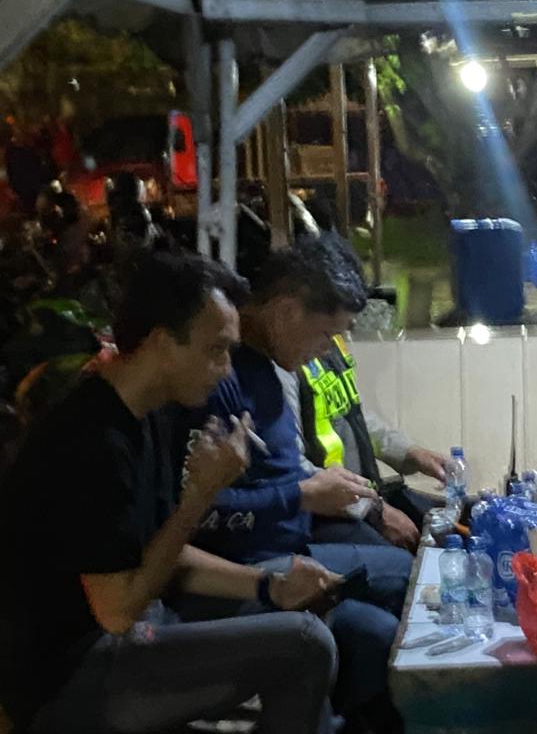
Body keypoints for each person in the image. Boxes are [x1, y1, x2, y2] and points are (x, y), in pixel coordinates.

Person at [0, 251, 338, 734]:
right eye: (215, 350)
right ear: (162, 342)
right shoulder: (91, 439)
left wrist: (271, 586)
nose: (226, 370)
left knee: (307, 611)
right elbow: (118, 611)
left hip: (143, 628)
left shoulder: (150, 412)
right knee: (304, 645)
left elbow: (161, 551)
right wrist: (200, 496)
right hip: (70, 675)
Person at [174, 235, 411, 732]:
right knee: (380, 629)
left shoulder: (272, 367)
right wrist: (300, 495)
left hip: (293, 546)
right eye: (325, 335)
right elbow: (198, 513)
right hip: (243, 567)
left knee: (411, 578)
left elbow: (285, 473)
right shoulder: (217, 382)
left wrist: (318, 490)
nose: (325, 351)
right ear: (284, 312)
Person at [298, 331, 447, 550]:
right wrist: (374, 512)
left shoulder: (332, 342)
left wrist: (411, 453)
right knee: (405, 562)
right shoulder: (287, 361)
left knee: (444, 525)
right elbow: (293, 467)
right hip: (326, 513)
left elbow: (354, 417)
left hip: (364, 495)